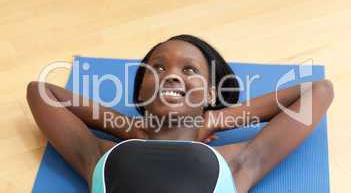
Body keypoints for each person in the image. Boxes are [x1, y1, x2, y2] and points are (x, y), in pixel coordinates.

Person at [26, 34, 334, 193]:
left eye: (189, 69)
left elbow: (318, 91)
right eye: (158, 67)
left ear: (211, 94)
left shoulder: (238, 163)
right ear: (140, 93)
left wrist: (211, 119)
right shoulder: (98, 155)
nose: (171, 75)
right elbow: (41, 92)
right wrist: (133, 131)